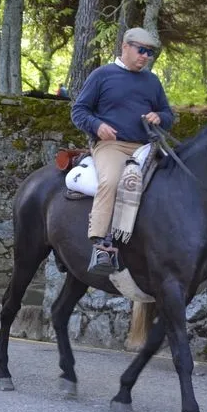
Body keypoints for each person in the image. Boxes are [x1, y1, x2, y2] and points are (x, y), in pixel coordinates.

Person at [71, 27, 174, 274]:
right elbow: (79, 111)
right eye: (141, 50)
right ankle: (102, 245)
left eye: (149, 53)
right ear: (125, 46)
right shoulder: (102, 75)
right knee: (111, 181)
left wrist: (159, 117)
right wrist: (97, 125)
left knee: (173, 180)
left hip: (147, 147)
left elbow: (168, 114)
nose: (145, 56)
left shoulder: (152, 81)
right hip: (112, 146)